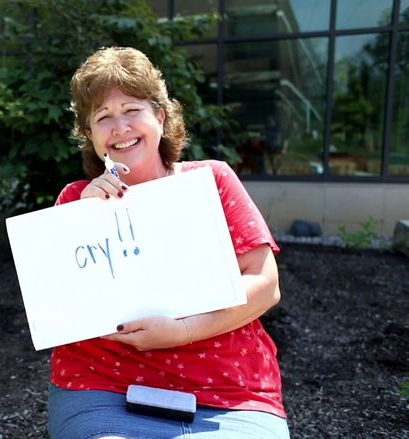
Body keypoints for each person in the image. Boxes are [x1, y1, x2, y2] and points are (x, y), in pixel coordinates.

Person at [47, 47, 289, 438]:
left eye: (131, 110)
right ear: (89, 135)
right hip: (104, 384)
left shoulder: (212, 180)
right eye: (103, 117)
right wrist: (82, 221)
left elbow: (265, 284)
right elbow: (55, 306)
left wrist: (182, 331)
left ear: (160, 115)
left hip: (227, 390)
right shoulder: (77, 198)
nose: (120, 127)